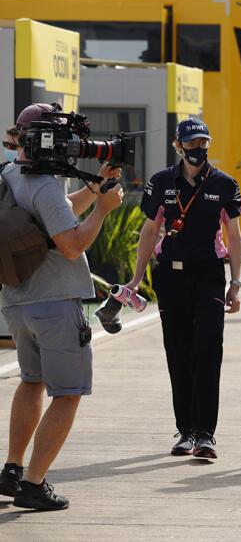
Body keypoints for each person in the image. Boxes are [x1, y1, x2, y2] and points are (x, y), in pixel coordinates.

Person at [1, 104, 124, 510]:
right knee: (68, 393)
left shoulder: (9, 175)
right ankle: (33, 486)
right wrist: (104, 210)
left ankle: (13, 471)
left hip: (17, 303)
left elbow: (54, 214)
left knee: (31, 382)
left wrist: (93, 190)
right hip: (55, 305)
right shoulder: (45, 184)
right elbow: (70, 245)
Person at [125, 116, 241, 461]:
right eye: (191, 144)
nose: (198, 149)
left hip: (209, 274)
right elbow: (150, 231)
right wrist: (136, 278)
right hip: (170, 276)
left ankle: (205, 435)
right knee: (178, 352)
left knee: (207, 350)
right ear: (178, 145)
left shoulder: (224, 183)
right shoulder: (161, 181)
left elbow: (234, 236)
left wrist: (235, 283)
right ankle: (186, 430)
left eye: (203, 143)